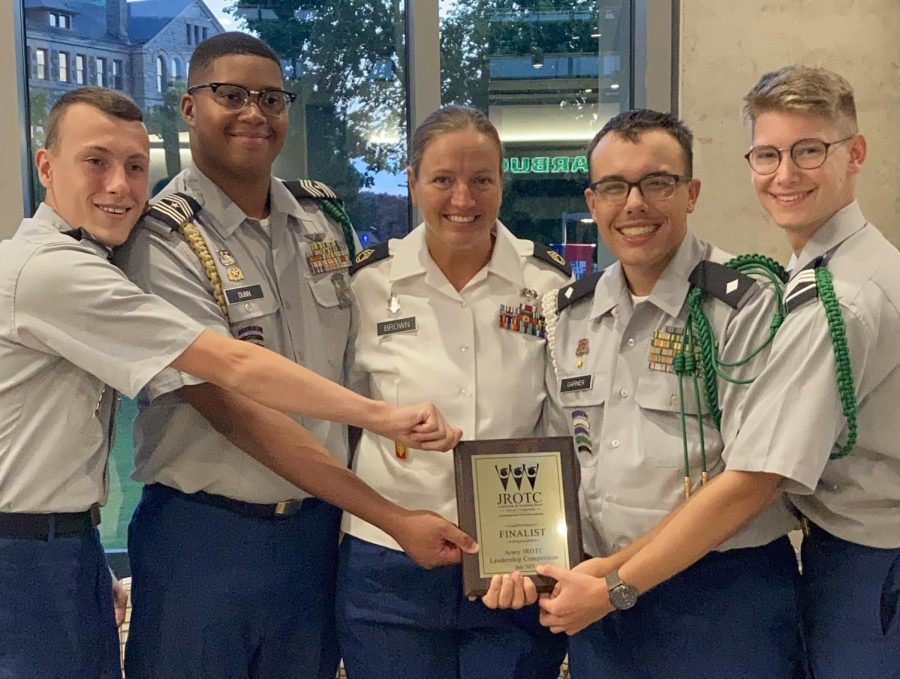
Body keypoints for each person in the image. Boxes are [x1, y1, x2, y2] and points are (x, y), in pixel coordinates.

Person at [0, 87, 472, 679]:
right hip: (58, 549)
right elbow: (231, 370)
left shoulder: (317, 221)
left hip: (71, 541)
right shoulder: (63, 268)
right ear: (46, 166)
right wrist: (381, 418)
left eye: (135, 166)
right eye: (95, 162)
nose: (119, 186)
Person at [526, 109, 805, 678]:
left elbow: (752, 480)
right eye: (613, 186)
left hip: (723, 596)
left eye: (657, 182)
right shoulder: (570, 315)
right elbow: (559, 464)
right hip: (602, 601)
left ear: (691, 192)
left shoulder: (745, 303)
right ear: (592, 200)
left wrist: (615, 584)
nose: (634, 204)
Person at [335, 105, 572, 679]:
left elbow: (564, 423)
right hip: (388, 554)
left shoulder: (547, 284)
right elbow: (337, 414)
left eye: (481, 180)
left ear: (501, 184)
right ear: (413, 182)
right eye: (443, 179)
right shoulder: (366, 285)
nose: (462, 199)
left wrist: (549, 549)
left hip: (514, 558)